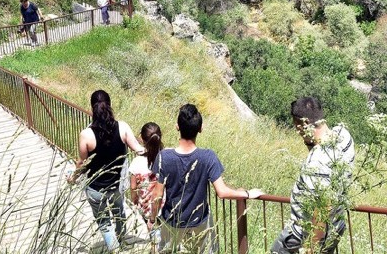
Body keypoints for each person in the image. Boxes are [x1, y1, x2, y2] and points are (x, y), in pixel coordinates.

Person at [154, 104, 262, 253]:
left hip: (171, 221)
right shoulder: (208, 157)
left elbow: (157, 195)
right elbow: (222, 192)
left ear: (177, 127)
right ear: (200, 128)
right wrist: (248, 194)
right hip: (199, 222)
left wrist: (152, 219)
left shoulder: (164, 157)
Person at [271, 96, 356, 254]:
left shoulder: (318, 160)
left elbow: (323, 205)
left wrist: (312, 247)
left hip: (304, 233)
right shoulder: (343, 135)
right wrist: (310, 142)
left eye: (297, 127)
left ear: (303, 124)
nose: (297, 132)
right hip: (336, 226)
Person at [76, 90, 147, 252]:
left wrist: (72, 178)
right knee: (119, 212)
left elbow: (81, 164)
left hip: (95, 189)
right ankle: (122, 239)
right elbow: (139, 150)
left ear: (92, 108)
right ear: (110, 105)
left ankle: (114, 249)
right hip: (117, 186)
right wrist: (158, 150)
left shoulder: (86, 134)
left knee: (104, 222)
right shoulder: (122, 127)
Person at [129, 122, 165, 250]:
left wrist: (134, 199)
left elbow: (133, 187)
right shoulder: (167, 158)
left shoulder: (136, 162)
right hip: (166, 204)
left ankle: (155, 249)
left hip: (147, 206)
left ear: (143, 140)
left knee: (153, 231)